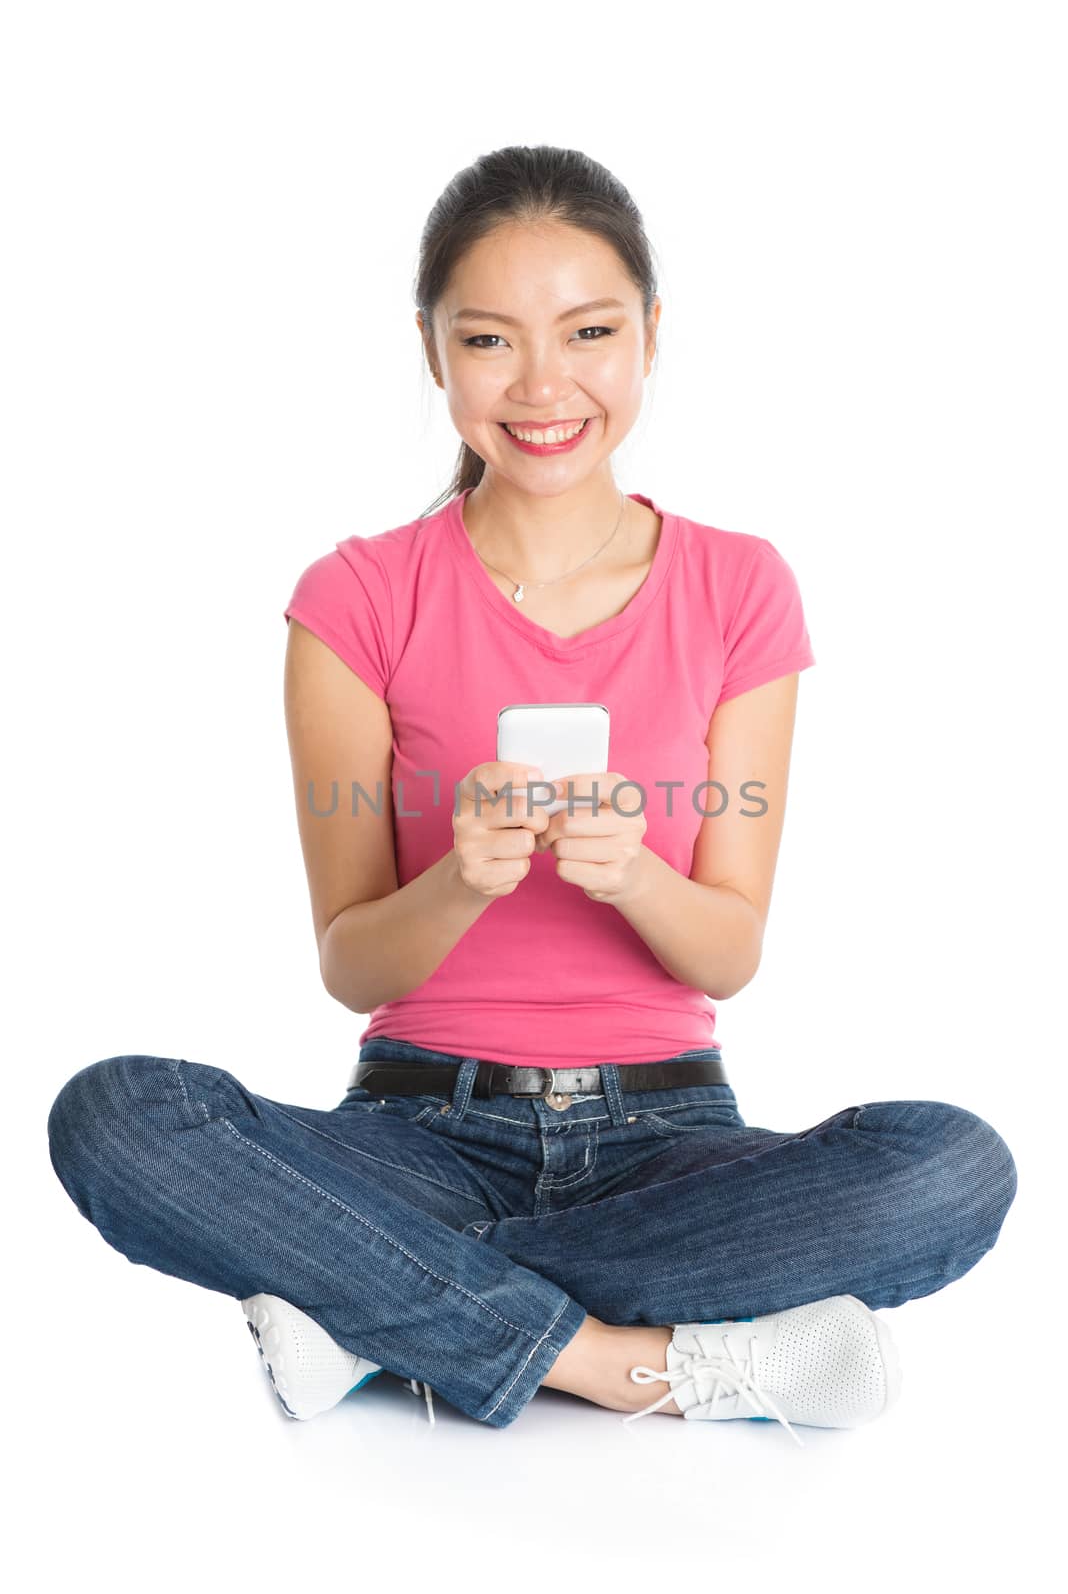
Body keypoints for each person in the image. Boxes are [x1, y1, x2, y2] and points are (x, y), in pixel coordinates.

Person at [46, 144, 1018, 1445]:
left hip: (669, 1143)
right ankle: (626, 1364)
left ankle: (375, 1303)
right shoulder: (355, 598)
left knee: (953, 1168)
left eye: (591, 332)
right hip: (416, 1132)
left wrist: (635, 876)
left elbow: (728, 950)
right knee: (116, 1114)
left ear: (652, 337)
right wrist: (458, 883)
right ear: (432, 351)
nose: (545, 385)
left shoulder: (741, 588)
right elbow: (349, 960)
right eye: (493, 340)